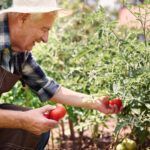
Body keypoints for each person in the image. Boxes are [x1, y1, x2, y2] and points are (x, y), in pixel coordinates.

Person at [0, 0, 122, 149]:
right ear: (22, 18)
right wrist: (22, 120)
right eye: (44, 29)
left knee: (36, 131)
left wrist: (94, 102)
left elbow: (49, 87)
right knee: (24, 123)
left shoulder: (19, 52)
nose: (46, 39)